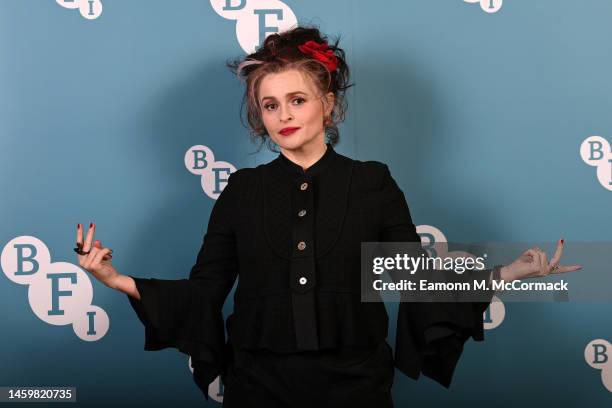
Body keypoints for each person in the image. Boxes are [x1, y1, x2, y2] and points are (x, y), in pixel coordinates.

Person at [74, 25, 582, 407]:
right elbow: (206, 289)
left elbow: (416, 277)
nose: (284, 115)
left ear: (328, 104)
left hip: (356, 385)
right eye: (270, 106)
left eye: (297, 100)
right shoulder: (242, 190)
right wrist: (116, 279)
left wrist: (512, 273)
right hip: (258, 385)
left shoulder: (372, 182)